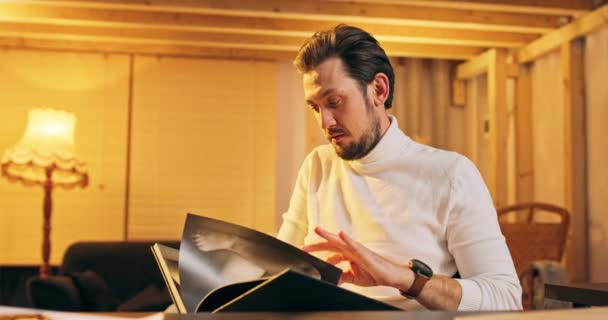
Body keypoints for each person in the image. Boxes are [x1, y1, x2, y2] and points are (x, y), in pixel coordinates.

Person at [277, 24, 522, 311]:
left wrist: (405, 279)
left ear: (379, 90)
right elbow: (279, 265)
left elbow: (505, 299)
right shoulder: (317, 166)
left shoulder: (451, 174)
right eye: (315, 108)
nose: (325, 123)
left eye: (335, 102)